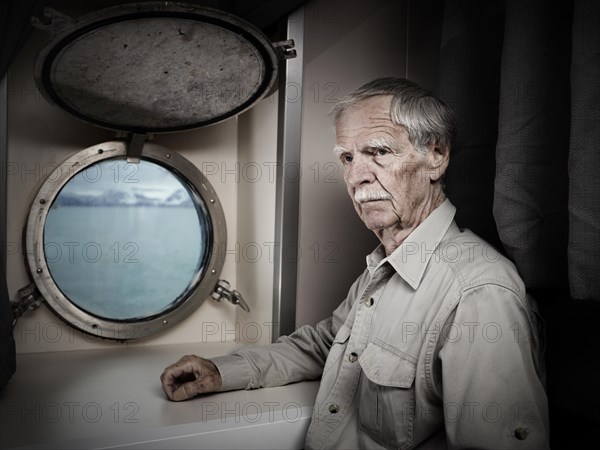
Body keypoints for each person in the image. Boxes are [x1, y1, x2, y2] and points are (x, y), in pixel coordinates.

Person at [161, 78, 550, 449]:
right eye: (347, 157)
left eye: (378, 152)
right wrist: (222, 371)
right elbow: (323, 344)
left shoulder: (479, 294)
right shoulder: (384, 266)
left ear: (436, 155)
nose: (356, 177)